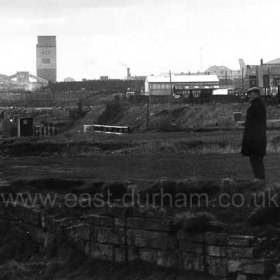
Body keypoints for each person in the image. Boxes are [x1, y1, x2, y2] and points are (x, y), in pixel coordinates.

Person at [241, 87, 267, 180]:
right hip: (257, 139)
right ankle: (260, 181)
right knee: (256, 162)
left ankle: (260, 182)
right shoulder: (258, 105)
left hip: (255, 140)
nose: (248, 96)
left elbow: (256, 124)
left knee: (256, 162)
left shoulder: (257, 106)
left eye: (250, 94)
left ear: (256, 94)